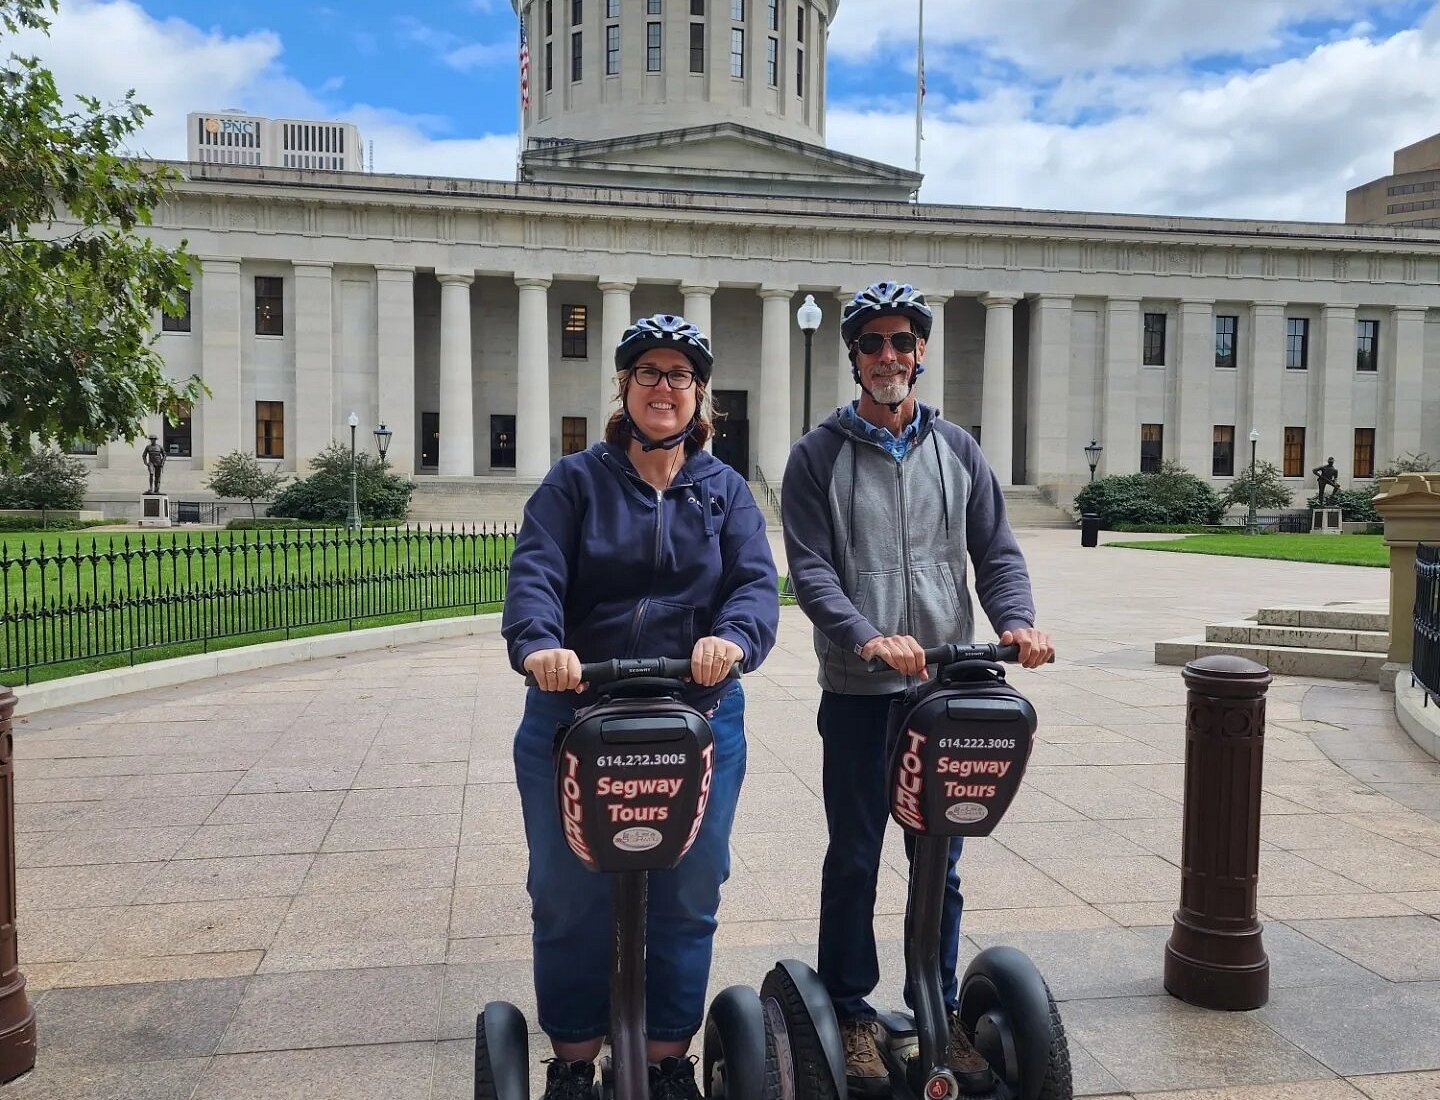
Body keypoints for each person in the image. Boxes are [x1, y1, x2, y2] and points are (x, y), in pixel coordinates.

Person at [780, 281, 1055, 1097]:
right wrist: (865, 635)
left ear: (922, 351)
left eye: (903, 342)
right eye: (874, 344)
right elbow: (812, 571)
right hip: (863, 690)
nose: (890, 356)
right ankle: (854, 1012)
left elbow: (996, 551)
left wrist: (1018, 622)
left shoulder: (959, 450)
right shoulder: (817, 455)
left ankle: (935, 1004)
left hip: (946, 689)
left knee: (943, 857)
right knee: (856, 855)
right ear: (854, 357)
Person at [502, 314, 780, 1100]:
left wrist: (733, 637)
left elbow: (757, 586)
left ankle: (664, 1058)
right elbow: (536, 574)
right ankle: (575, 1060)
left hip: (695, 717)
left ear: (702, 398)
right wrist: (540, 646)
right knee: (568, 894)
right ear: (624, 387)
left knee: (691, 891)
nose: (666, 387)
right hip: (575, 714)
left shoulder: (724, 491)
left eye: (681, 375)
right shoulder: (574, 482)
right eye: (649, 373)